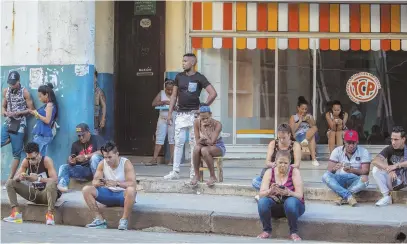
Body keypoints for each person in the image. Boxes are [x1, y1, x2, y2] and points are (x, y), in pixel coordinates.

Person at [163, 53, 218, 180]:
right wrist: (170, 113)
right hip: (181, 114)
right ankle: (175, 171)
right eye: (182, 61)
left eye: (185, 61)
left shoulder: (199, 77)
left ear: (193, 63)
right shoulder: (179, 77)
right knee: (179, 143)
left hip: (194, 116)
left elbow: (213, 93)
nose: (183, 63)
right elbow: (174, 96)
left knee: (194, 144)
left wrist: (202, 109)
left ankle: (194, 173)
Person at [82, 141, 137, 230]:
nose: (107, 160)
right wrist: (99, 183)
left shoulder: (126, 163)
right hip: (108, 194)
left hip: (122, 195)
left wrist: (117, 183)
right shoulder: (102, 163)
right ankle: (99, 220)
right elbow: (94, 181)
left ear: (117, 154)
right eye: (105, 157)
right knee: (86, 190)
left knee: (131, 190)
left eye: (110, 157)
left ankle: (124, 220)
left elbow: (132, 184)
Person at [3, 142, 61, 225]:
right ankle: (16, 214)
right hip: (34, 193)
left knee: (51, 184)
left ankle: (50, 215)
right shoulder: (26, 161)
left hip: (47, 195)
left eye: (33, 158)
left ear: (38, 154)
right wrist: (20, 178)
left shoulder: (46, 160)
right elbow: (15, 177)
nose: (30, 161)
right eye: (28, 158)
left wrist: (39, 178)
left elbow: (55, 180)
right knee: (10, 182)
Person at [257, 150, 305, 241]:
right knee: (262, 202)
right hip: (276, 207)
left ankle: (293, 232)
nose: (283, 165)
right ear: (275, 161)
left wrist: (288, 193)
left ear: (290, 162)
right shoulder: (269, 172)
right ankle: (266, 231)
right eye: (280, 162)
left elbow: (299, 195)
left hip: (294, 208)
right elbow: (261, 194)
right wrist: (270, 191)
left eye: (285, 163)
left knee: (290, 202)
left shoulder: (295, 172)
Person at [252, 123, 302, 201]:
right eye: (279, 138)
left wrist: (285, 166)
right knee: (255, 181)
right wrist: (275, 165)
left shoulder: (295, 145)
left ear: (289, 135)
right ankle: (274, 192)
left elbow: (297, 165)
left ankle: (271, 193)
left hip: (288, 174)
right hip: (274, 174)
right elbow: (267, 162)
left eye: (284, 138)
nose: (281, 140)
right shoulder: (273, 143)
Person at [1, 71, 35, 184]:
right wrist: (5, 112)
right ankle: (11, 139)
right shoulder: (6, 91)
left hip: (19, 123)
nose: (11, 85)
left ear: (18, 82)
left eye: (13, 83)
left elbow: (31, 110)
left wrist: (18, 113)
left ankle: (9, 180)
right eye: (10, 83)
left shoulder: (25, 92)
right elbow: (3, 106)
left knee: (16, 153)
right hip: (8, 122)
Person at [322, 130, 370, 206]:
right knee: (325, 176)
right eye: (348, 142)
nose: (351, 145)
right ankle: (348, 196)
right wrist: (334, 169)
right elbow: (329, 170)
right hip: (339, 179)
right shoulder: (337, 151)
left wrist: (352, 170)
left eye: (353, 143)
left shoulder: (364, 151)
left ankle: (341, 196)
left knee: (365, 179)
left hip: (354, 180)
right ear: (344, 141)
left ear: (357, 142)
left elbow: (366, 171)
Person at [57, 123, 105, 192]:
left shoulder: (97, 138)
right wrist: (71, 161)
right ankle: (62, 187)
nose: (81, 137)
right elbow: (72, 160)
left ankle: (97, 183)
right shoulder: (75, 144)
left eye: (83, 135)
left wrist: (86, 156)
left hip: (97, 169)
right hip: (84, 170)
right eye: (79, 136)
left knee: (95, 158)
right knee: (63, 167)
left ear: (88, 132)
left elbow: (102, 152)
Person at [190, 105, 226, 186]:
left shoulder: (217, 124)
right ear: (199, 117)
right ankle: (196, 175)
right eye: (202, 118)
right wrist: (202, 140)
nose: (205, 120)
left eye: (207, 118)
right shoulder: (196, 122)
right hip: (203, 145)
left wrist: (204, 130)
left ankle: (213, 176)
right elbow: (197, 142)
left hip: (218, 146)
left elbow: (212, 142)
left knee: (204, 150)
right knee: (196, 149)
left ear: (210, 114)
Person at [372, 126, 407, 207]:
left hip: (404, 179)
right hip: (393, 180)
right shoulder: (390, 148)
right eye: (392, 139)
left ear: (403, 139)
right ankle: (386, 197)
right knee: (375, 169)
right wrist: (389, 170)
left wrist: (396, 166)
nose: (393, 142)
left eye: (396, 139)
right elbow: (375, 160)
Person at [146, 78, 176, 166]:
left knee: (172, 140)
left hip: (173, 119)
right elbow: (153, 103)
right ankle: (154, 159)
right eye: (168, 89)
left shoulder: (176, 93)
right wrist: (162, 102)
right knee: (159, 139)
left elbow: (180, 106)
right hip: (162, 119)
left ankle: (172, 160)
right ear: (165, 88)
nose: (170, 91)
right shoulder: (162, 93)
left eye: (171, 89)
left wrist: (172, 104)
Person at [289, 96, 319, 166]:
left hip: (308, 135)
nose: (304, 111)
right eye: (302, 109)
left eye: (306, 109)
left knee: (314, 128)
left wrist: (309, 120)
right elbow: (292, 130)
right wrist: (300, 121)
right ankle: (314, 159)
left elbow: (314, 127)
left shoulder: (309, 116)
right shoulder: (293, 117)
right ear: (298, 108)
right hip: (299, 136)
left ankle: (305, 140)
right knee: (312, 138)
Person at [30, 83, 58, 156]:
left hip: (43, 134)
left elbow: (47, 120)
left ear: (46, 95)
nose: (39, 99)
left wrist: (36, 114)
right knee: (41, 158)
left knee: (32, 156)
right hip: (43, 134)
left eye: (40, 96)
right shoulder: (47, 105)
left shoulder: (49, 105)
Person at [94, 70, 107, 136]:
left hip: (95, 123)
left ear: (96, 78)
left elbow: (104, 106)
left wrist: (103, 119)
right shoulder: (84, 90)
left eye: (94, 77)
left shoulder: (98, 92)